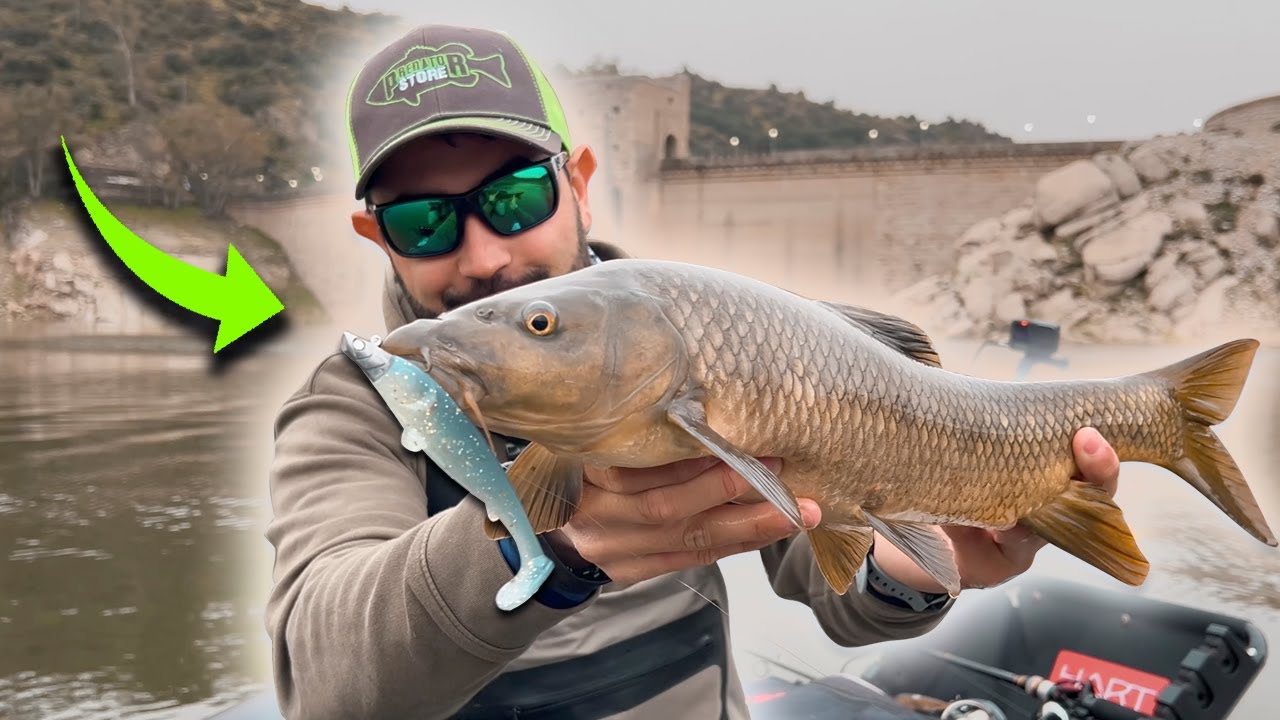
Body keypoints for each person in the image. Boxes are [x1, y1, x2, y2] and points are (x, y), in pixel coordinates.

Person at [263, 23, 1123, 720]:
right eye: (423, 222)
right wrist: (548, 550)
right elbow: (327, 683)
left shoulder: (726, 345)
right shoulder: (354, 409)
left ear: (580, 185)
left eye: (514, 198)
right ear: (377, 237)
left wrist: (925, 563)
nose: (485, 254)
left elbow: (835, 590)